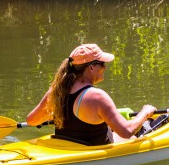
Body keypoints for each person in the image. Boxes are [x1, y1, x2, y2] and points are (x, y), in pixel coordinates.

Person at [27, 43, 157, 146]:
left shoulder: (57, 90)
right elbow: (126, 131)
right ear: (91, 67)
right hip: (95, 151)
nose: (105, 67)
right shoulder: (97, 97)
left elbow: (32, 120)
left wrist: (55, 114)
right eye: (102, 64)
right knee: (144, 130)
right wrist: (145, 111)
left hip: (69, 147)